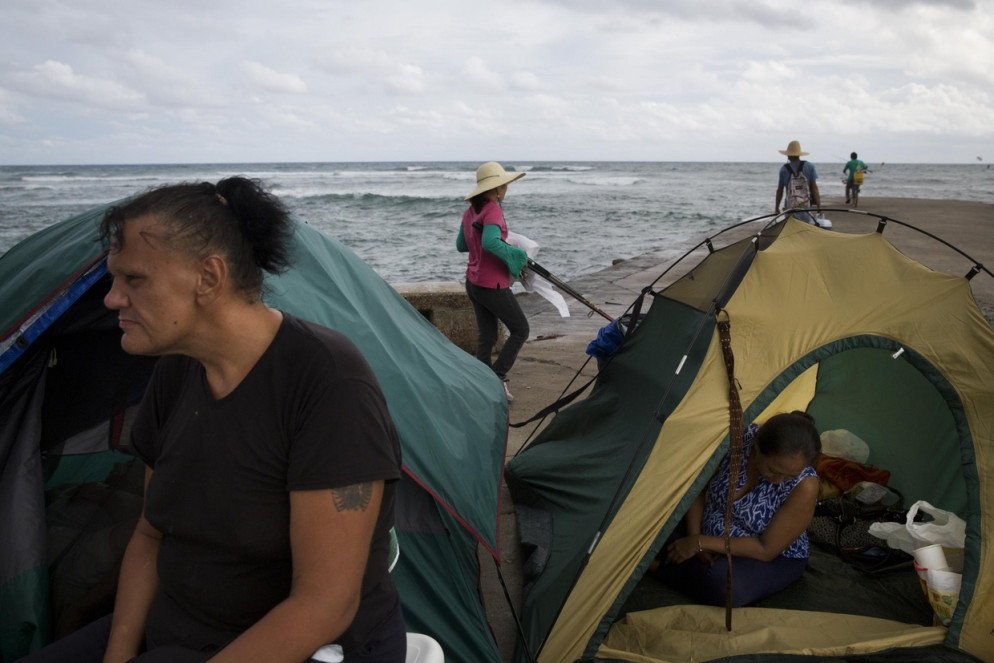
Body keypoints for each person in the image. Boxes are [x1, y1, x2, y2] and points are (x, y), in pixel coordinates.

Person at [21, 178, 405, 663]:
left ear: (208, 278)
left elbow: (324, 605)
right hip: (177, 630)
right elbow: (150, 532)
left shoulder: (328, 386)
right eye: (114, 279)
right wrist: (117, 654)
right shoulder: (176, 373)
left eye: (134, 280)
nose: (112, 299)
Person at [649, 411, 821, 607]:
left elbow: (765, 549)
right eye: (774, 470)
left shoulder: (805, 486)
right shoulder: (736, 441)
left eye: (790, 476)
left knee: (727, 586)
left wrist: (700, 542)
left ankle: (657, 565)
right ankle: (679, 564)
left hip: (763, 554)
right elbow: (697, 489)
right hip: (706, 528)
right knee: (648, 518)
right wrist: (693, 535)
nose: (780, 480)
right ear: (757, 447)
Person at [456, 161, 530, 403]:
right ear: (496, 189)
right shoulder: (493, 210)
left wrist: (488, 242)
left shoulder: (470, 212)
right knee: (520, 329)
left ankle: (482, 383)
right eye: (505, 185)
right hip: (492, 286)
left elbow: (461, 245)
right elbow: (489, 243)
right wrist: (517, 255)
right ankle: (497, 376)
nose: (506, 189)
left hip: (473, 282)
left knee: (487, 336)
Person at [774, 140, 822, 224]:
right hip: (805, 206)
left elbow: (780, 190)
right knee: (805, 228)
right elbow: (814, 188)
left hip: (790, 207)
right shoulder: (810, 167)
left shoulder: (784, 169)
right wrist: (819, 206)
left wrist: (776, 207)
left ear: (788, 155)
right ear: (799, 154)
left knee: (791, 229)